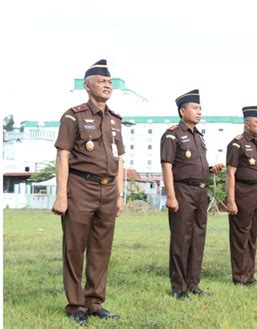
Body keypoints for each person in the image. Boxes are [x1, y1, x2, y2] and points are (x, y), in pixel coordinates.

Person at [52, 59, 124, 325]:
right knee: (74, 248)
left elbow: (119, 160)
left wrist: (119, 194)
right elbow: (63, 155)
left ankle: (94, 303)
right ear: (87, 85)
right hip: (80, 188)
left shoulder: (115, 120)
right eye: (101, 81)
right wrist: (61, 195)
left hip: (107, 190)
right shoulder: (74, 116)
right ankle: (75, 306)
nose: (107, 85)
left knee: (101, 249)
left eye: (109, 82)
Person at [160, 89, 224, 299]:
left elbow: (195, 164)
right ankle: (179, 287)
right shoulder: (172, 134)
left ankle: (193, 284)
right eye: (195, 108)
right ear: (182, 111)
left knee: (198, 238)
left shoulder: (198, 136)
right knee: (181, 238)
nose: (199, 112)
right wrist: (171, 196)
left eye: (200, 108)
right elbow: (167, 166)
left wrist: (210, 169)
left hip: (201, 191)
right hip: (182, 191)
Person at [226, 106, 257, 285]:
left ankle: (249, 275)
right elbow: (230, 173)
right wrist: (231, 200)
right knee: (240, 235)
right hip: (244, 192)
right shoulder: (237, 143)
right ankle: (239, 276)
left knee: (252, 235)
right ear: (247, 123)